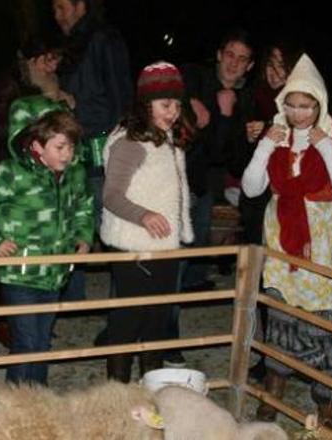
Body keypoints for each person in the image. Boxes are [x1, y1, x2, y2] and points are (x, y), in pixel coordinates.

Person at [241, 54, 332, 429]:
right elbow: (251, 188)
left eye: (306, 105)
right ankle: (276, 382)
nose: (298, 113)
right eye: (292, 105)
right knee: (281, 310)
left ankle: (327, 396)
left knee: (324, 315)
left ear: (320, 104)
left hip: (322, 239)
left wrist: (328, 148)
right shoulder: (275, 135)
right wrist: (265, 146)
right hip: (282, 237)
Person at [0, 96, 92, 386]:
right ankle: (18, 402)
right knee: (26, 342)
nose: (67, 154)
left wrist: (83, 236)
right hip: (18, 273)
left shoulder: (73, 174)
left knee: (42, 341)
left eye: (71, 146)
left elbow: (84, 203)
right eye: (60, 147)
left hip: (54, 272)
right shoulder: (12, 173)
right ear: (36, 145)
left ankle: (38, 396)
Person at [99, 61, 195, 382]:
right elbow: (111, 195)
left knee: (158, 319)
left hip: (165, 246)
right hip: (135, 246)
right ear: (145, 104)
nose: (173, 112)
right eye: (165, 104)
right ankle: (118, 392)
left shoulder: (165, 137)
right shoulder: (129, 142)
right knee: (129, 320)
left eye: (178, 105)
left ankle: (151, 387)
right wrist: (143, 215)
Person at [53, 0, 133, 302]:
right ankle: (72, 300)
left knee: (112, 227)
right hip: (72, 146)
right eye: (54, 9)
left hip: (100, 147)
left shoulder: (103, 39)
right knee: (71, 220)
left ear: (80, 6)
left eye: (62, 7)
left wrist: (118, 143)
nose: (57, 16)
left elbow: (119, 94)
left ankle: (123, 306)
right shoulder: (69, 43)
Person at [181, 28, 256, 291]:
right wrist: (189, 99)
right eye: (229, 54)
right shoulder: (195, 76)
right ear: (218, 55)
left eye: (242, 58)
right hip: (177, 174)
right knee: (181, 240)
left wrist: (225, 117)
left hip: (205, 181)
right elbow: (174, 80)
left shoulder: (245, 102)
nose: (233, 63)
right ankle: (174, 288)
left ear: (249, 66)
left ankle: (193, 281)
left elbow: (225, 157)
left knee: (199, 234)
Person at [241, 39, 303, 245]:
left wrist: (269, 128)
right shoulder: (251, 97)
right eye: (270, 63)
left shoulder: (305, 102)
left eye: (282, 65)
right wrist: (248, 140)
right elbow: (233, 158)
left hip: (291, 197)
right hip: (257, 199)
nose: (275, 71)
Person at [0, 35, 73, 169]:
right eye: (48, 61)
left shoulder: (52, 82)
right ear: (33, 59)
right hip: (16, 164)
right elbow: (1, 129)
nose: (52, 68)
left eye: (56, 62)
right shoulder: (9, 84)